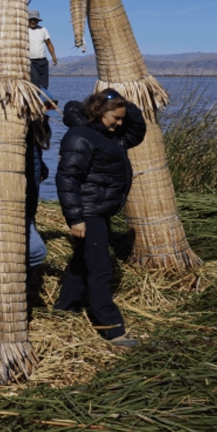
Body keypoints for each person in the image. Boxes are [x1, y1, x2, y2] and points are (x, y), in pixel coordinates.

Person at [53, 88, 146, 347]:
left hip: (100, 210)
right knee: (100, 268)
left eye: (121, 118)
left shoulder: (110, 135)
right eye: (115, 117)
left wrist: (122, 100)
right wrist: (75, 218)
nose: (120, 123)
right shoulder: (80, 136)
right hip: (88, 212)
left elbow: (137, 130)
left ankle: (65, 306)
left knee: (83, 261)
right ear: (98, 112)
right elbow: (67, 178)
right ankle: (112, 330)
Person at [25, 111, 52, 309]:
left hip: (29, 202)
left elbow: (35, 157)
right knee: (36, 251)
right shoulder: (23, 134)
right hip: (22, 204)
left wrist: (41, 167)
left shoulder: (33, 135)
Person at [27, 10, 57, 91]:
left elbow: (49, 43)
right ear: (28, 20)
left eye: (35, 20)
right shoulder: (24, 31)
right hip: (31, 62)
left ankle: (43, 102)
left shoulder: (43, 29)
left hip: (43, 61)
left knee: (44, 85)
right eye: (31, 19)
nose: (33, 21)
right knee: (35, 83)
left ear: (38, 20)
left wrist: (53, 56)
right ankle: (35, 101)